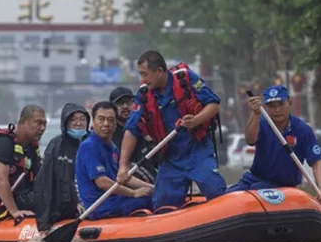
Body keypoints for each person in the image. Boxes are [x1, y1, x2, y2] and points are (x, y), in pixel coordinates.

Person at [117, 50, 227, 212]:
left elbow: (213, 105)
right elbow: (131, 130)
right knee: (163, 205)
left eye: (145, 74)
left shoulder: (186, 79)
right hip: (171, 158)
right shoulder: (144, 95)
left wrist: (195, 120)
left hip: (198, 151)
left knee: (215, 191)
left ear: (159, 71)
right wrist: (123, 165)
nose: (143, 79)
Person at [227, 85, 321, 208]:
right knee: (225, 198)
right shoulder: (260, 123)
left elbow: (317, 162)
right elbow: (250, 140)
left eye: (281, 104)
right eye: (271, 106)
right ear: (265, 107)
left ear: (289, 103)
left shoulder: (303, 130)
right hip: (254, 179)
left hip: (283, 188)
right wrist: (255, 114)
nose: (277, 110)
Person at [76, 101, 154, 219]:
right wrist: (133, 193)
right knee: (149, 201)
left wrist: (152, 187)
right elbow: (102, 182)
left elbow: (125, 177)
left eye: (111, 120)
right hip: (100, 206)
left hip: (115, 199)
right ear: (93, 121)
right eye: (101, 119)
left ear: (116, 123)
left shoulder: (112, 147)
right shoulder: (89, 146)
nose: (106, 124)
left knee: (155, 194)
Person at [34, 103, 90, 232]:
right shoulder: (56, 146)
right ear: (65, 122)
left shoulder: (92, 143)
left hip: (90, 202)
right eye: (73, 119)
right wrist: (44, 223)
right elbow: (45, 183)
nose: (78, 123)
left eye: (82, 119)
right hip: (64, 208)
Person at [109, 86, 158, 184]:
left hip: (154, 180)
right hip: (129, 184)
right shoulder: (110, 134)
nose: (125, 106)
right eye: (120, 103)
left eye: (129, 102)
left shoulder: (144, 127)